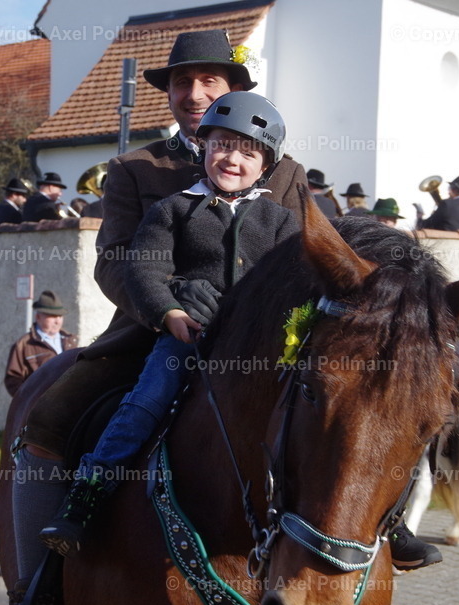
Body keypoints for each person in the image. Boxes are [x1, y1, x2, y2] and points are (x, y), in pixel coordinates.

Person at [0, 29, 434, 605]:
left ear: (235, 90)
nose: (194, 93)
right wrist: (166, 308)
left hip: (263, 343)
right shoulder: (137, 170)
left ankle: (378, 545)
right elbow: (116, 263)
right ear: (168, 94)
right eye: (181, 82)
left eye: (210, 81)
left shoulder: (283, 171)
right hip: (156, 332)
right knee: (51, 418)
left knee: (353, 413)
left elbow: (315, 255)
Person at [39, 91, 299, 555]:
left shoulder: (280, 221)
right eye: (221, 145)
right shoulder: (173, 208)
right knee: (146, 400)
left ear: (267, 166)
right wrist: (169, 312)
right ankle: (89, 491)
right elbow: (143, 269)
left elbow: (298, 281)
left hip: (259, 348)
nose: (232, 158)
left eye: (247, 151)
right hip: (189, 337)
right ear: (203, 148)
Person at [4, 291, 80, 397]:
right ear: (38, 317)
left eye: (60, 316)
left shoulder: (71, 341)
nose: (57, 321)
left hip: (68, 403)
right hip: (40, 408)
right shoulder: (24, 345)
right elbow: (13, 379)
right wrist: (30, 401)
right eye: (53, 316)